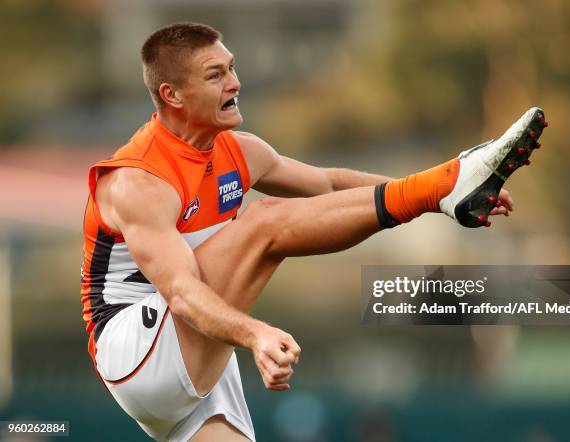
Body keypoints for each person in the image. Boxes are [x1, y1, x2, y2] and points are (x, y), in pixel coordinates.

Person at [80, 22, 546, 441]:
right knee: (264, 221)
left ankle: (446, 186)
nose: (235, 83)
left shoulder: (238, 151)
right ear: (172, 95)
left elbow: (329, 183)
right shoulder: (138, 181)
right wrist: (255, 335)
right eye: (215, 75)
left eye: (232, 68)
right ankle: (447, 182)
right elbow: (180, 291)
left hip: (196, 344)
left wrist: (439, 203)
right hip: (137, 353)